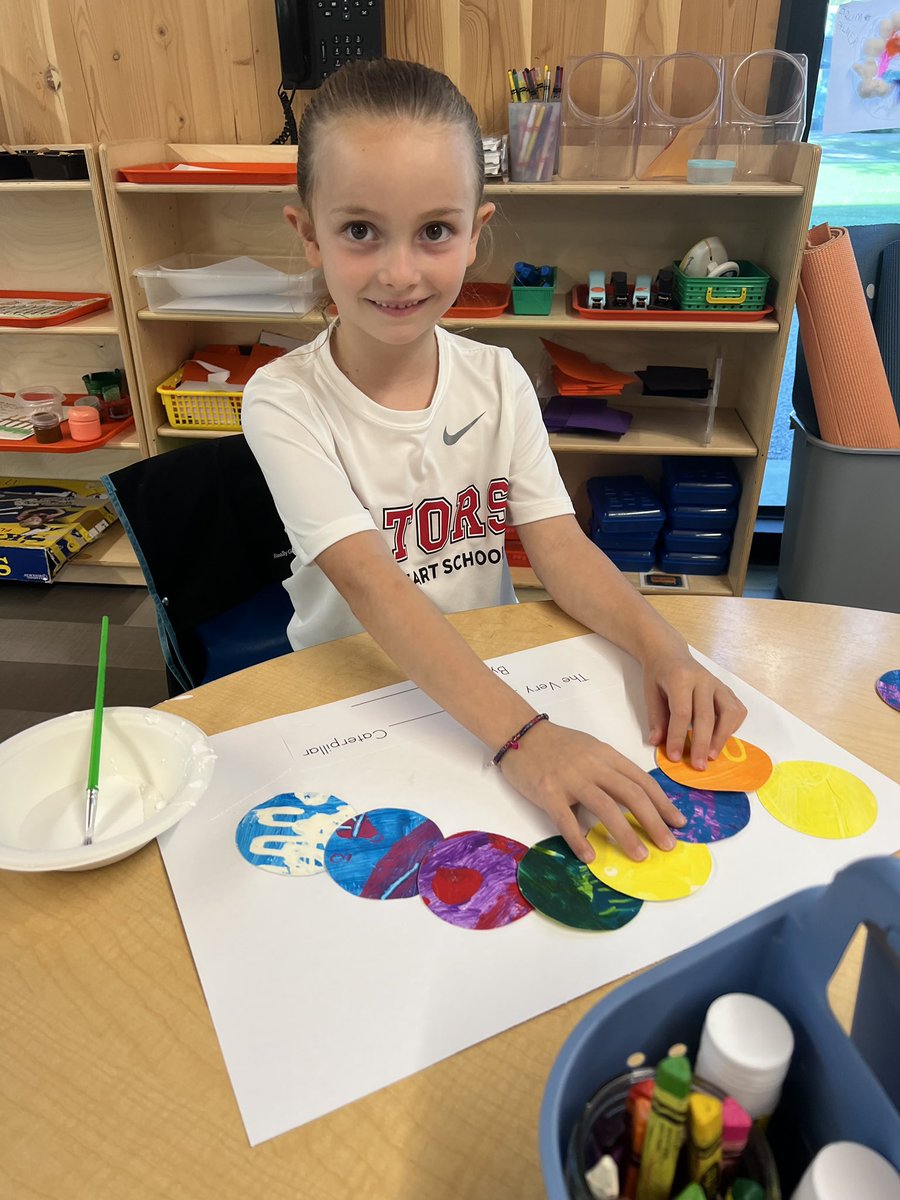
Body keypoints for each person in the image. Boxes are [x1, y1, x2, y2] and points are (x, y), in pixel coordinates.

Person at [242, 58, 747, 866]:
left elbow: (559, 544)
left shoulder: (498, 376)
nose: (400, 272)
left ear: (479, 230)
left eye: (435, 231)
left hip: (495, 671)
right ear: (307, 232)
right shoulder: (282, 399)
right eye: (361, 230)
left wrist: (663, 649)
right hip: (360, 689)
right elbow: (373, 585)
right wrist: (527, 739)